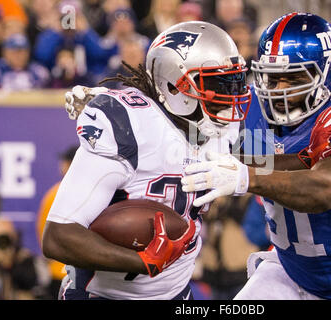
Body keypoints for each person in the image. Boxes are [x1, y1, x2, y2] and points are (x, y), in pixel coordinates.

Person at [182, 12, 331, 300]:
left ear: (329, 73)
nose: (279, 90)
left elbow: (326, 189)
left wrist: (246, 177)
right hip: (290, 270)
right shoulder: (253, 110)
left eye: (294, 78)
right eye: (272, 78)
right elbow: (191, 133)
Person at [42, 21, 253, 300]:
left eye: (233, 83)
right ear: (173, 86)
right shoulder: (127, 127)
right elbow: (58, 237)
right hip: (103, 295)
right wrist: (143, 262)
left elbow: (262, 164)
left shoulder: (221, 124)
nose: (229, 98)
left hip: (176, 292)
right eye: (216, 85)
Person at [36, 145, 78, 299]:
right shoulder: (98, 192)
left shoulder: (55, 194)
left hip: (59, 271)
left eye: (65, 161)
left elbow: (44, 237)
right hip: (88, 272)